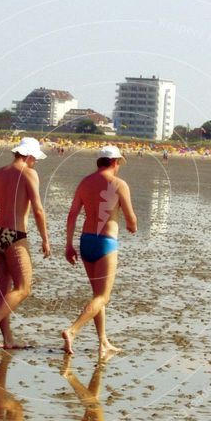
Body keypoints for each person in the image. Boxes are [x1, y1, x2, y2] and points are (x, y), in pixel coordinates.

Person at [61, 146, 137, 357]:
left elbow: (72, 214)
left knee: (97, 296)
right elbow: (131, 219)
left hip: (86, 241)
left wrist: (69, 244)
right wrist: (132, 225)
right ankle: (72, 330)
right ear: (115, 162)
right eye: (119, 162)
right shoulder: (119, 184)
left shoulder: (85, 183)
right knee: (103, 297)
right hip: (106, 242)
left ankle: (103, 342)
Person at [0, 137, 51, 349]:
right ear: (28, 156)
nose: (35, 162)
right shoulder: (29, 173)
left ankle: (7, 338)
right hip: (15, 235)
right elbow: (38, 209)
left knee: (3, 289)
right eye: (35, 158)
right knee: (23, 287)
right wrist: (45, 239)